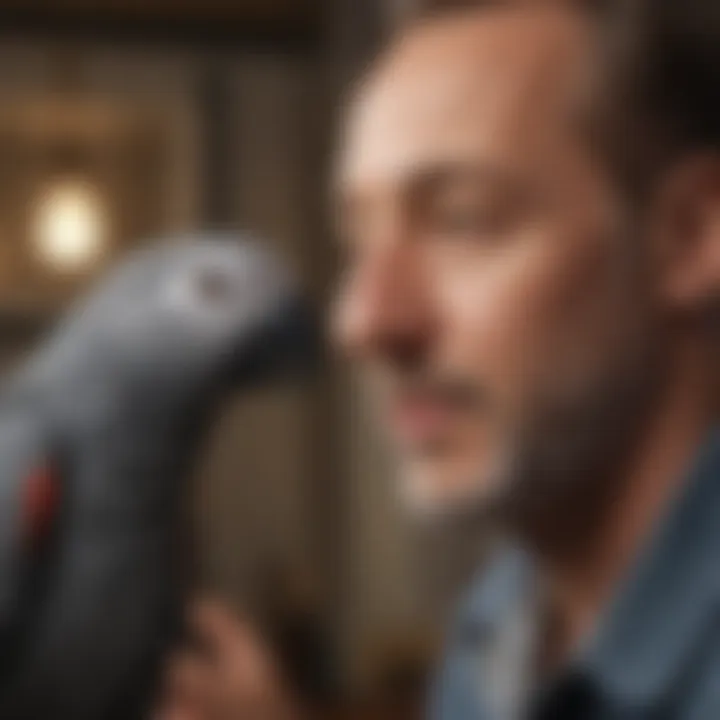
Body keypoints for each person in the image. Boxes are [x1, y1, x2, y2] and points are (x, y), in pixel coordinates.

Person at [156, 0, 720, 717]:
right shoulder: (500, 618)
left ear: (693, 235)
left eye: (461, 219)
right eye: (358, 242)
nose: (363, 321)